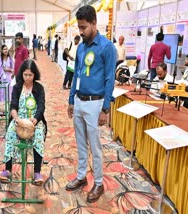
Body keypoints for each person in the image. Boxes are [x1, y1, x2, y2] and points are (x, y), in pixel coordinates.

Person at [66, 5, 116, 203]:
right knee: (80, 143)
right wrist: (71, 99)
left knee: (95, 147)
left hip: (96, 105)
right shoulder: (81, 47)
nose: (81, 31)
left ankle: (98, 182)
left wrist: (106, 108)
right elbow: (76, 74)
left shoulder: (107, 47)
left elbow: (109, 79)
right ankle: (81, 176)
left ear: (94, 23)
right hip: (79, 101)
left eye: (84, 27)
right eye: (79, 27)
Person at [0, 59, 47, 186]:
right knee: (10, 133)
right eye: (25, 75)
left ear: (35, 75)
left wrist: (34, 120)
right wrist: (17, 119)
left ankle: (37, 172)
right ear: (21, 74)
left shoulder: (39, 88)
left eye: (30, 75)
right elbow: (13, 106)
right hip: (19, 119)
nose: (28, 78)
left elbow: (41, 107)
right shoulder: (17, 87)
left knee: (39, 134)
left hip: (34, 120)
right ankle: (8, 170)